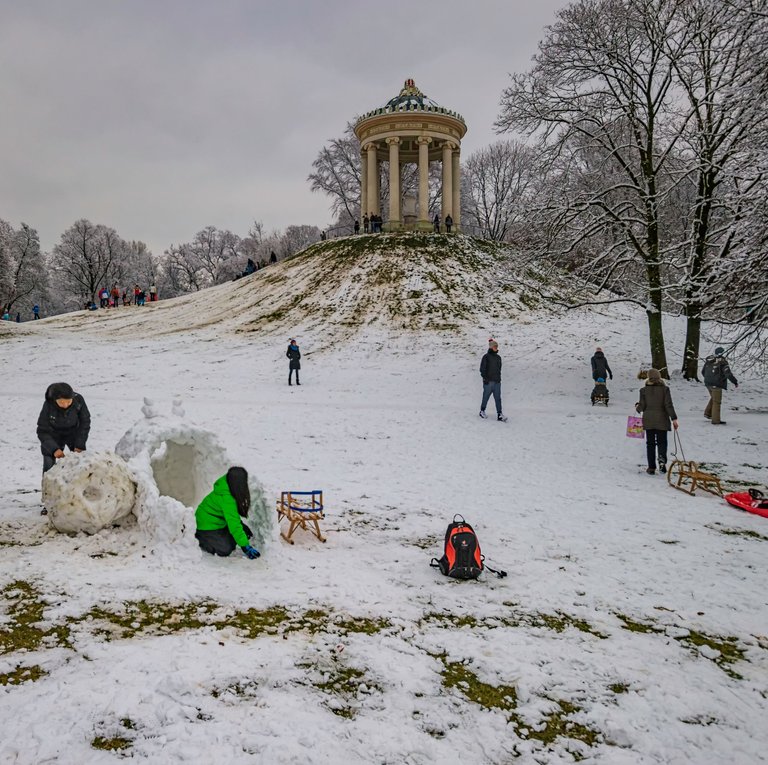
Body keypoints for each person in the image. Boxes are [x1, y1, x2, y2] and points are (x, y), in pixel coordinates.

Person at [195, 467, 260, 559]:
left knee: (244, 533)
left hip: (217, 521)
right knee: (225, 549)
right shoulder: (227, 498)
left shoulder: (228, 485)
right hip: (205, 526)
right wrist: (245, 547)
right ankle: (200, 538)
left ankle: (222, 536)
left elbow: (233, 518)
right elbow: (234, 524)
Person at [36, 382, 91, 474]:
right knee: (48, 466)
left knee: (79, 463)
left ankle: (75, 486)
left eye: (69, 402)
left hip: (73, 433)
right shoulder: (48, 405)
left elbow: (85, 422)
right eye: (61, 402)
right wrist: (54, 449)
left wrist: (79, 444)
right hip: (53, 434)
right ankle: (49, 487)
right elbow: (42, 430)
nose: (65, 405)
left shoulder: (78, 401)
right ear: (55, 400)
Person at [635, 368, 678, 475]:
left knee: (650, 444)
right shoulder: (665, 389)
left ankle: (651, 467)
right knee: (662, 442)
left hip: (648, 420)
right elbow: (668, 405)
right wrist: (674, 418)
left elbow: (642, 406)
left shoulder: (644, 390)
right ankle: (662, 462)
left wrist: (637, 407)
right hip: (662, 420)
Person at [702, 347, 738, 425]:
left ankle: (708, 413)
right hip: (717, 384)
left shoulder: (709, 360)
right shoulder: (723, 362)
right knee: (717, 402)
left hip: (708, 383)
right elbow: (728, 374)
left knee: (714, 398)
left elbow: (703, 372)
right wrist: (735, 381)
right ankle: (716, 420)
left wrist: (708, 378)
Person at [479, 339, 508, 422]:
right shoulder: (486, 357)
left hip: (497, 382)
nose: (496, 347)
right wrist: (485, 378)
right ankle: (482, 411)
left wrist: (498, 379)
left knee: (498, 398)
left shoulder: (498, 358)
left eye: (497, 346)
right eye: (495, 346)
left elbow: (499, 369)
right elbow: (482, 369)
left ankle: (499, 414)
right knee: (486, 397)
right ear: (491, 347)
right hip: (488, 382)